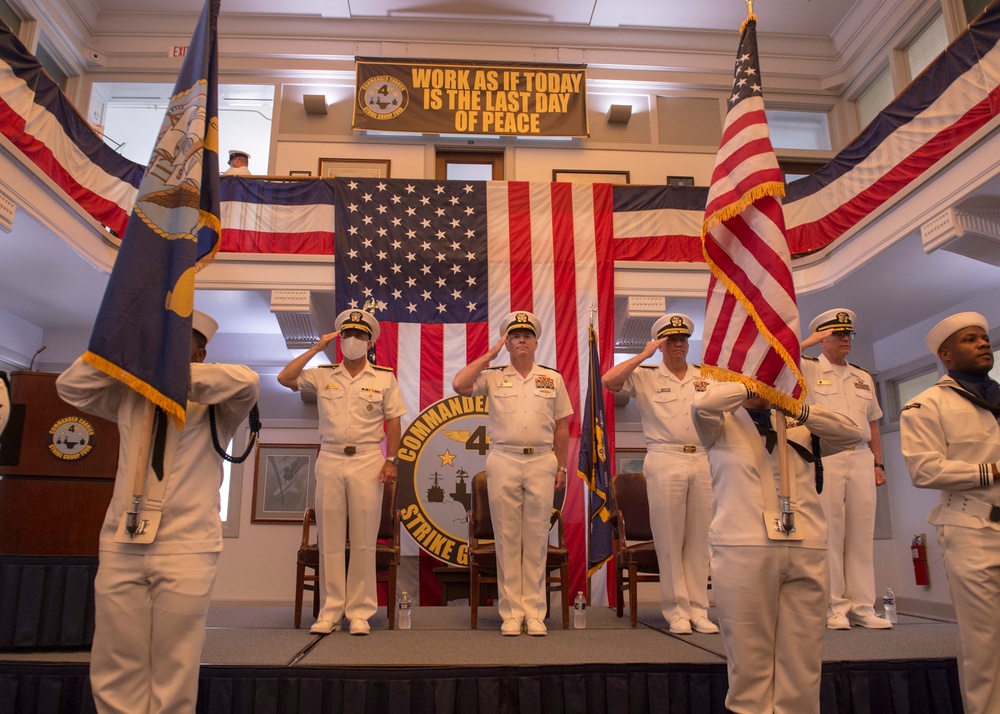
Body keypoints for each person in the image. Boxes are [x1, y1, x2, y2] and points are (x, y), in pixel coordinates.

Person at [56, 310, 260, 714]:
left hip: (186, 546)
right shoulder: (129, 391)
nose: (162, 342)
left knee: (174, 668)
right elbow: (71, 385)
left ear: (200, 353)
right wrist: (124, 346)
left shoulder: (216, 403)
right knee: (116, 664)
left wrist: (165, 371)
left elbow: (247, 382)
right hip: (122, 540)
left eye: (176, 338)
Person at [692, 381, 862, 713]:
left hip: (806, 546)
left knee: (803, 664)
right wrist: (748, 386)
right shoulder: (719, 423)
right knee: (749, 664)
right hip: (744, 547)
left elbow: (852, 434)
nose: (765, 378)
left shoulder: (799, 426)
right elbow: (702, 405)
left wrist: (798, 408)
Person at [277, 308, 406, 636]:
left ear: (369, 342)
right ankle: (330, 610)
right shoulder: (323, 374)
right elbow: (285, 378)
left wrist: (392, 460)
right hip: (331, 458)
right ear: (340, 340)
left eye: (359, 336)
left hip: (366, 460)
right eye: (347, 335)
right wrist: (316, 348)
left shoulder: (383, 377)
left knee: (364, 538)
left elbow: (393, 420)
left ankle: (360, 612)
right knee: (331, 538)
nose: (352, 340)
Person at [900, 312, 1000, 714]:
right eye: (970, 339)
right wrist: (991, 470)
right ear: (946, 354)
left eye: (985, 338)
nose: (982, 343)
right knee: (984, 641)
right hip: (972, 527)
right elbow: (924, 470)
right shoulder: (927, 404)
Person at [452, 311, 573, 636]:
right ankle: (510, 613)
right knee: (506, 538)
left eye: (527, 335)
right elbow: (459, 384)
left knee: (535, 539)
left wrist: (561, 465)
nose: (521, 339)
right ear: (507, 343)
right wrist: (489, 355)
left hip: (541, 461)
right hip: (504, 459)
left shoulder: (552, 378)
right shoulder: (493, 375)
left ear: (536, 342)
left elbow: (562, 426)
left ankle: (534, 613)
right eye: (515, 336)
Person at [601, 313, 717, 635]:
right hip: (665, 457)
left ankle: (698, 609)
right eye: (671, 340)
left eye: (682, 339)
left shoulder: (705, 377)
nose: (678, 344)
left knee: (698, 539)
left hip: (703, 458)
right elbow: (609, 381)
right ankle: (677, 610)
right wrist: (643, 354)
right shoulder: (647, 375)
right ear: (661, 344)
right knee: (669, 539)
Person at [800, 308, 890, 630]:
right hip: (827, 458)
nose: (845, 339)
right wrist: (808, 342)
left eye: (848, 334)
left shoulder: (863, 377)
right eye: (838, 334)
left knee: (861, 536)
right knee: (830, 535)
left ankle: (864, 607)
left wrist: (878, 462)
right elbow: (777, 363)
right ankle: (834, 607)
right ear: (824, 338)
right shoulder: (808, 369)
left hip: (862, 458)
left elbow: (873, 424)